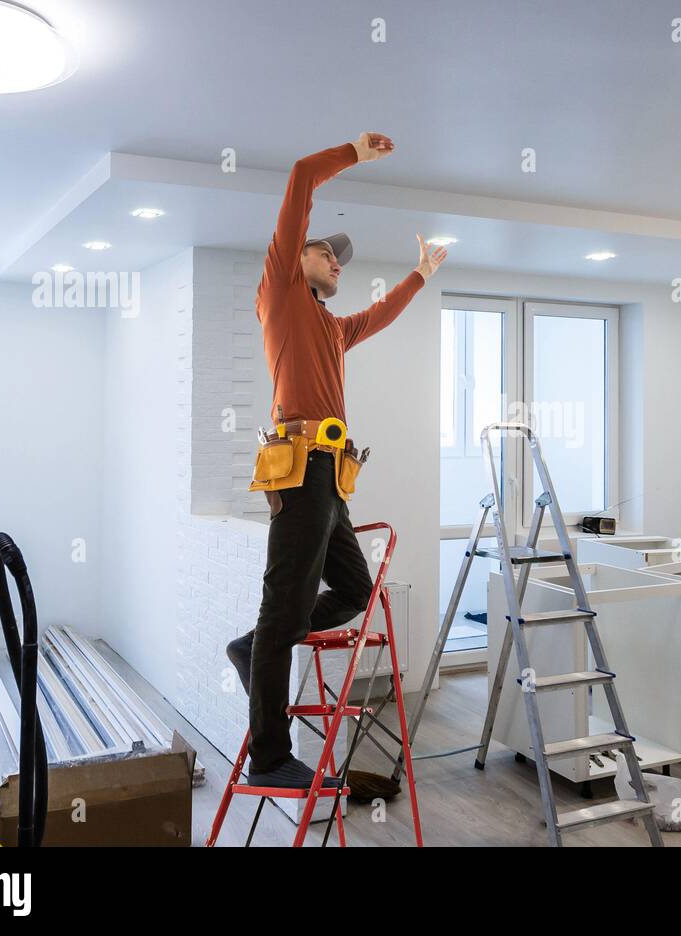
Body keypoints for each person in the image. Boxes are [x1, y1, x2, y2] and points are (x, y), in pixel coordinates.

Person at [226, 132, 448, 789]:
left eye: (340, 259)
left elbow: (376, 316)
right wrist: (354, 151)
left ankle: (256, 645)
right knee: (282, 611)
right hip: (298, 469)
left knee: (353, 589)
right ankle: (270, 754)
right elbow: (298, 176)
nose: (338, 263)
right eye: (329, 253)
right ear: (299, 257)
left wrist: (422, 275)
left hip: (331, 475)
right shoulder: (281, 294)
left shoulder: (330, 325)